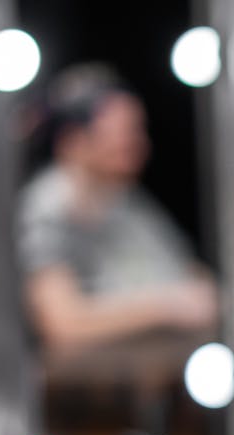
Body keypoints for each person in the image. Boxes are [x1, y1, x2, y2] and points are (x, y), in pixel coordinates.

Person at [17, 64, 217, 353]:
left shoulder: (127, 204)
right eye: (124, 134)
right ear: (73, 140)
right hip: (85, 388)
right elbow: (61, 323)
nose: (139, 145)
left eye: (138, 132)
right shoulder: (47, 209)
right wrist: (165, 307)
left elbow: (194, 280)